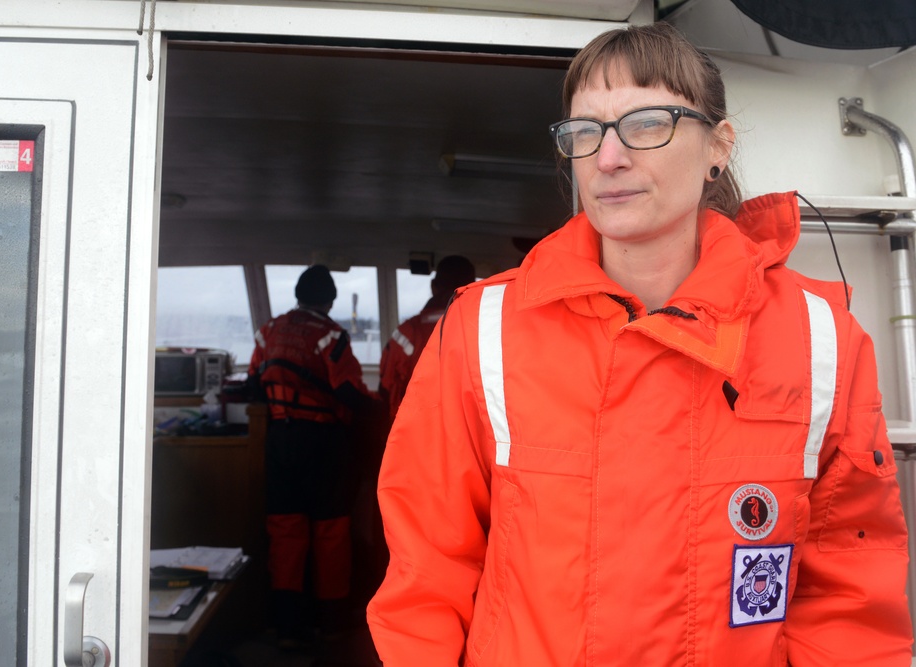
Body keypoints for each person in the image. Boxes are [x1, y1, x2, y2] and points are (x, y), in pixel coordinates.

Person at [367, 22, 913, 666]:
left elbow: (848, 597)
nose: (608, 158)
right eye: (585, 131)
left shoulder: (821, 339)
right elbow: (427, 574)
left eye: (647, 123)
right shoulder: (481, 328)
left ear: (718, 147)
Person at [247, 264, 371, 648]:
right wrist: (378, 413)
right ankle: (332, 622)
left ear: (298, 295)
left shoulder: (268, 330)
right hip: (322, 444)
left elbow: (253, 384)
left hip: (279, 441)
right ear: (330, 300)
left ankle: (288, 625)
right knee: (330, 531)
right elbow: (348, 391)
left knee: (285, 529)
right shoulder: (331, 334)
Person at [379, 255, 477, 420]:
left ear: (433, 286)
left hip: (415, 428)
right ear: (473, 287)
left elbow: (385, 387)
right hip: (467, 428)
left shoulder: (407, 332)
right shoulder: (485, 330)